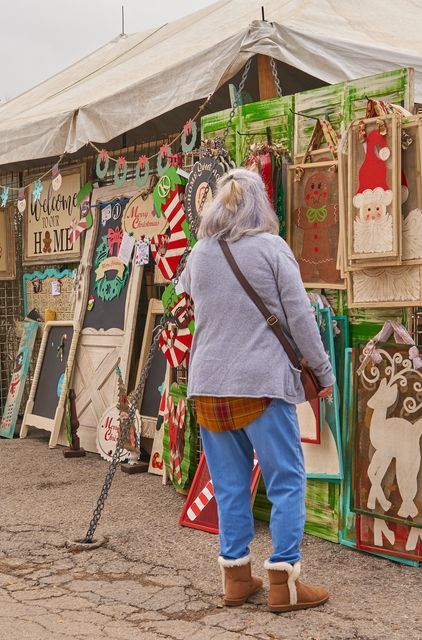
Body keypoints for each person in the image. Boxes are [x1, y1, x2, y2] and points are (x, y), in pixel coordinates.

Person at [177, 169, 334, 613]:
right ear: (259, 205)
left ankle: (236, 578)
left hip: (207, 385)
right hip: (261, 384)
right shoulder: (271, 249)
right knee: (286, 480)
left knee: (228, 484)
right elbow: (300, 318)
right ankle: (284, 579)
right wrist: (322, 374)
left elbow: (188, 298)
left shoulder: (200, 254)